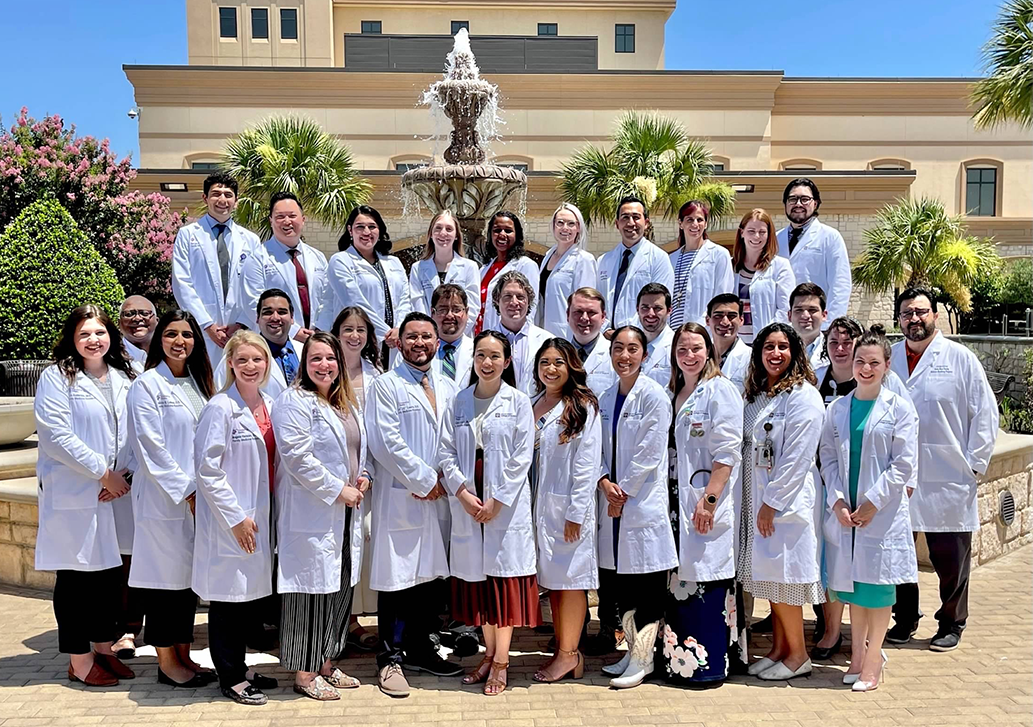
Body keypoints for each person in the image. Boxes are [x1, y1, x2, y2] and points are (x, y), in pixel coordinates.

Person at [887, 287, 999, 651]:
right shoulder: (888, 359)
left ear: (935, 315)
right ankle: (904, 619)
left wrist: (974, 465)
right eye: (906, 313)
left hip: (948, 475)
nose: (914, 319)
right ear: (899, 319)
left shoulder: (961, 359)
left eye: (921, 312)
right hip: (900, 476)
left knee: (951, 560)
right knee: (899, 555)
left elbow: (984, 414)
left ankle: (952, 622)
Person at [34, 305, 138, 687]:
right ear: (72, 340)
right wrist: (103, 472)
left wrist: (122, 473)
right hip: (76, 490)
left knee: (108, 577)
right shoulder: (57, 377)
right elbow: (56, 436)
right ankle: (79, 660)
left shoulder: (126, 375)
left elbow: (135, 430)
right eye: (84, 334)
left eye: (100, 332)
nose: (93, 340)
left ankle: (103, 647)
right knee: (76, 579)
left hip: (114, 492)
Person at [365, 312, 463, 698]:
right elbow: (385, 443)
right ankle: (390, 660)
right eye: (412, 337)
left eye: (427, 337)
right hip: (404, 496)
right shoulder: (385, 386)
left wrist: (443, 479)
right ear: (399, 342)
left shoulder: (448, 385)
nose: (420, 343)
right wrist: (424, 480)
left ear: (437, 343)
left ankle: (422, 649)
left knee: (429, 581)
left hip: (438, 498)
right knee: (397, 583)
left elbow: (452, 435)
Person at [819, 327, 919, 692]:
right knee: (855, 590)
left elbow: (903, 464)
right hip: (848, 514)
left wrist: (873, 502)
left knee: (877, 591)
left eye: (873, 362)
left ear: (886, 365)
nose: (865, 368)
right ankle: (857, 657)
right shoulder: (839, 407)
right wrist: (839, 501)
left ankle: (873, 659)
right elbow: (828, 459)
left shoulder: (899, 407)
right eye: (860, 361)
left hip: (882, 514)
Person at [439, 331, 538, 696]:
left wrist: (497, 499)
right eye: (481, 355)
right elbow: (446, 451)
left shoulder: (518, 402)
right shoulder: (460, 402)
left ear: (507, 362)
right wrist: (463, 493)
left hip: (502, 504)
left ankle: (501, 661)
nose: (487, 362)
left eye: (495, 356)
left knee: (501, 585)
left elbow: (521, 457)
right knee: (480, 587)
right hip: (470, 498)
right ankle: (488, 654)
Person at [273, 332, 369, 700]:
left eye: (330, 358)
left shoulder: (344, 403)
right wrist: (338, 489)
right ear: (304, 363)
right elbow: (298, 458)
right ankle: (304, 673)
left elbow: (362, 448)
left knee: (339, 587)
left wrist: (365, 477)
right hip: (313, 513)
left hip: (345, 514)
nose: (324, 365)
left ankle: (327, 661)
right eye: (316, 359)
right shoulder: (293, 401)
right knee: (309, 595)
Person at [127, 310, 216, 688]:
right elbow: (151, 448)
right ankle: (167, 663)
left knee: (187, 585)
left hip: (198, 501)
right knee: (165, 585)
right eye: (171, 334)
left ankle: (184, 653)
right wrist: (188, 489)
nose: (180, 341)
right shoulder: (146, 385)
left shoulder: (199, 383)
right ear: (160, 338)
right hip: (166, 500)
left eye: (187, 334)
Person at [193, 331, 278, 705]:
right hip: (233, 520)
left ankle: (241, 667)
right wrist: (236, 517)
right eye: (242, 360)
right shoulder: (220, 407)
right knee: (228, 601)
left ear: (267, 363)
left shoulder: (271, 404)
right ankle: (230, 675)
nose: (250, 367)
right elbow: (207, 470)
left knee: (248, 600)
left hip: (262, 515)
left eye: (257, 360)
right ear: (229, 363)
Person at [738, 323, 825, 681]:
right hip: (757, 499)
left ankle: (798, 655)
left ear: (795, 352)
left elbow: (798, 457)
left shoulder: (803, 395)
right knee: (770, 579)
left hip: (783, 504)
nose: (776, 354)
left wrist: (772, 503)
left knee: (786, 578)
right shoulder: (760, 394)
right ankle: (779, 649)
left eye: (783, 347)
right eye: (769, 347)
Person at [662, 322, 743, 685]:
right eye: (682, 349)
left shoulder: (719, 391)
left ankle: (707, 667)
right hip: (676, 503)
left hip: (703, 501)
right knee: (680, 582)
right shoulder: (676, 390)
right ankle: (677, 663)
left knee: (707, 582)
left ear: (709, 351)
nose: (689, 355)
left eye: (696, 348)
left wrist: (709, 500)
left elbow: (728, 452)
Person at [597, 326, 677, 689]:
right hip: (612, 505)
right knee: (621, 588)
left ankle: (644, 659)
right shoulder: (605, 396)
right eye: (618, 348)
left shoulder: (654, 396)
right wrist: (603, 482)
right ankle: (632, 651)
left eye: (633, 349)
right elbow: (595, 448)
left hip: (639, 506)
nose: (624, 356)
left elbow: (649, 453)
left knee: (645, 588)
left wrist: (621, 494)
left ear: (645, 355)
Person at [529, 338, 601, 683]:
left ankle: (569, 654)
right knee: (554, 583)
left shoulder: (582, 406)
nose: (551, 368)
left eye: (559, 361)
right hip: (539, 509)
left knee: (571, 582)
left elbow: (587, 463)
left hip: (568, 511)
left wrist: (575, 511)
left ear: (571, 366)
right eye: (545, 362)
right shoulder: (532, 404)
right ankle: (564, 649)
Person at [332, 306, 382, 652]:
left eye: (360, 330)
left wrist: (370, 472)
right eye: (347, 329)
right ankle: (340, 621)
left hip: (367, 474)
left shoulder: (376, 375)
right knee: (337, 548)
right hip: (334, 476)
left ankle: (356, 618)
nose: (354, 336)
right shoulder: (323, 369)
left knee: (362, 544)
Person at [172, 172, 260, 362]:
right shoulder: (188, 235)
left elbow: (257, 286)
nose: (222, 199)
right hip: (202, 328)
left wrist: (242, 322)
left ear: (236, 201)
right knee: (205, 380)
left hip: (240, 328)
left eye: (228, 195)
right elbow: (182, 283)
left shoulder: (251, 240)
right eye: (216, 194)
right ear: (205, 198)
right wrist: (207, 324)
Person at [319, 206, 411, 365]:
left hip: (394, 343)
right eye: (360, 227)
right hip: (358, 339)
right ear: (350, 230)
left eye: (372, 227)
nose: (366, 232)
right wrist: (386, 333)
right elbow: (354, 302)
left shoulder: (393, 262)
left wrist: (400, 330)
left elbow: (404, 300)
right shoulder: (340, 261)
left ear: (380, 230)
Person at [240, 192, 327, 343]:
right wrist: (293, 332)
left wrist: (321, 328)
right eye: (280, 217)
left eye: (292, 216)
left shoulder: (318, 257)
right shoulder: (257, 259)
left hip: (317, 339)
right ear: (271, 221)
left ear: (303, 219)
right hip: (277, 339)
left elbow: (328, 298)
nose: (287, 221)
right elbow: (253, 304)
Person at [776, 178, 852, 326]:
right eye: (792, 199)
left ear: (815, 203)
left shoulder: (830, 237)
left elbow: (840, 284)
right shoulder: (775, 239)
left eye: (805, 199)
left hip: (817, 323)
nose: (798, 204)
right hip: (784, 324)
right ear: (785, 204)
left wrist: (831, 325)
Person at [596, 197, 675, 329]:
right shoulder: (604, 260)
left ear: (647, 223)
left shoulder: (659, 258)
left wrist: (630, 334)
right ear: (617, 224)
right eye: (625, 217)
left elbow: (660, 304)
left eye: (636, 217)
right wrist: (605, 330)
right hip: (608, 338)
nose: (631, 223)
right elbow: (596, 302)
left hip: (643, 336)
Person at [214, 289, 304, 396]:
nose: (275, 318)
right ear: (257, 318)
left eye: (282, 312)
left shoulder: (304, 351)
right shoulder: (237, 355)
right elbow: (220, 392)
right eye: (268, 312)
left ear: (292, 318)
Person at [408, 210, 480, 335]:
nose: (443, 233)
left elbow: (473, 307)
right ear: (430, 233)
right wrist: (430, 333)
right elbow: (417, 304)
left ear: (456, 235)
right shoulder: (418, 268)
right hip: (428, 336)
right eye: (438, 228)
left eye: (449, 229)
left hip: (461, 336)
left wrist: (456, 334)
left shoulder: (470, 267)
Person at [732, 209, 795, 345]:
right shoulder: (729, 267)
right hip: (734, 345)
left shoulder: (780, 266)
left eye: (762, 232)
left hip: (766, 344)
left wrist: (767, 337)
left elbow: (785, 309)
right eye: (751, 231)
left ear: (768, 235)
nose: (756, 237)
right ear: (742, 233)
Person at [668, 200, 734, 328]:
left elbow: (722, 297)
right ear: (680, 223)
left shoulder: (719, 254)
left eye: (699, 220)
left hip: (703, 331)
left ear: (706, 224)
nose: (695, 224)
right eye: (689, 220)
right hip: (672, 333)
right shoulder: (671, 259)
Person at [538, 203, 598, 338]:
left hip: (568, 335)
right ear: (553, 226)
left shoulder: (583, 260)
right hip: (544, 331)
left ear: (578, 228)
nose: (565, 228)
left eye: (571, 224)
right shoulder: (548, 256)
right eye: (560, 223)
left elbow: (585, 304)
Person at [476, 211, 540, 335]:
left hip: (509, 337)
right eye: (497, 230)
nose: (502, 234)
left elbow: (531, 307)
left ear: (517, 235)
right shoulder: (484, 269)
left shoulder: (526, 265)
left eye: (508, 230)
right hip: (482, 334)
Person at [490, 271, 550, 395]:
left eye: (520, 297)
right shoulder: (484, 341)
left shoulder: (547, 341)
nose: (514, 302)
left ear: (529, 301)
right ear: (497, 299)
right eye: (507, 296)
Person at [566, 287, 615, 400]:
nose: (584, 318)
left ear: (603, 317)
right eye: (578, 312)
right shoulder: (559, 354)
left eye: (591, 312)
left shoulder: (614, 355)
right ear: (568, 315)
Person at [428, 283, 474, 387]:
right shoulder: (418, 351)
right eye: (442, 310)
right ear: (432, 313)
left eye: (456, 310)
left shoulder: (479, 351)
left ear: (467, 312)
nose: (449, 315)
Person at [706, 293, 751, 393]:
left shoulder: (751, 358)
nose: (725, 322)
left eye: (731, 316)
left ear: (741, 320)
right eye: (718, 316)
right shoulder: (700, 355)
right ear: (707, 320)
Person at [636, 283, 674, 386]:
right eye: (645, 307)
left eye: (657, 308)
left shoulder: (676, 346)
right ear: (637, 309)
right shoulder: (630, 343)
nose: (650, 314)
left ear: (669, 310)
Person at [788, 283, 828, 370]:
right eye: (799, 310)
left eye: (812, 310)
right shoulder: (777, 350)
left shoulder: (833, 351)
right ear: (789, 315)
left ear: (824, 315)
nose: (805, 316)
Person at [119, 296, 157, 363]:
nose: (137, 318)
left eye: (145, 313)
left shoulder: (170, 353)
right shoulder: (110, 356)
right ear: (119, 323)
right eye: (129, 314)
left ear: (157, 321)